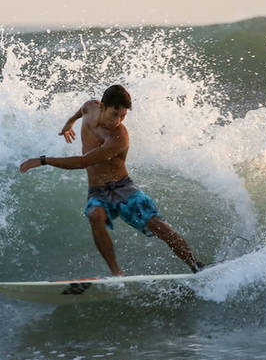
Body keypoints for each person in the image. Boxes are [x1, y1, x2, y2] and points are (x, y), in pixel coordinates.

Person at [19, 84, 203, 276]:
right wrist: (69, 123)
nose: (119, 120)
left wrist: (43, 160)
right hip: (97, 190)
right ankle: (117, 273)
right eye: (115, 114)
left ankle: (196, 266)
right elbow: (82, 109)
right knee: (94, 214)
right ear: (102, 107)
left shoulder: (119, 137)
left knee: (156, 225)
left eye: (123, 116)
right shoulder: (90, 107)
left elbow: (83, 162)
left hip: (122, 187)